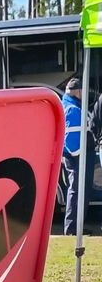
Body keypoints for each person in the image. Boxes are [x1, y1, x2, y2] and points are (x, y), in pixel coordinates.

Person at [61, 77, 96, 236]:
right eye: (83, 90)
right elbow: (72, 140)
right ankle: (72, 229)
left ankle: (76, 228)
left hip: (77, 157)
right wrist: (79, 155)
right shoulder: (73, 109)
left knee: (77, 191)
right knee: (77, 191)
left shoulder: (70, 105)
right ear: (77, 91)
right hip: (78, 158)